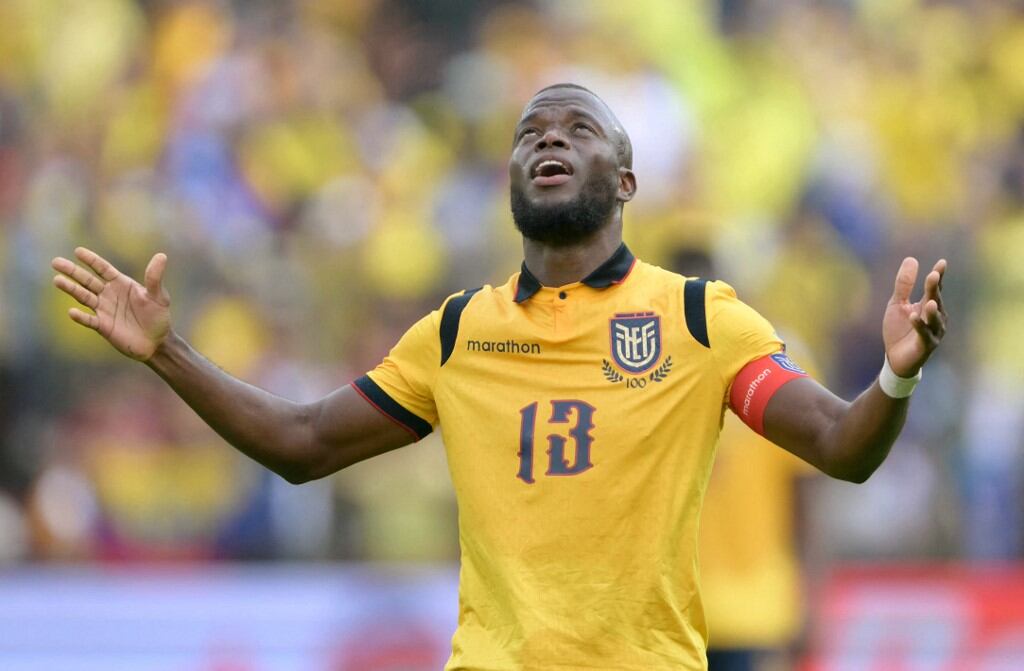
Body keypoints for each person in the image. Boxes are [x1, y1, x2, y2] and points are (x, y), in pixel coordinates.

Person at [51, 83, 948, 670]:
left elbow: (839, 446)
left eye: (576, 128)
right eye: (529, 133)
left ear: (626, 179)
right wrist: (168, 351)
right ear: (512, 176)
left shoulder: (699, 319)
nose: (546, 138)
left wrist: (897, 378)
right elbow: (300, 443)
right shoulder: (455, 332)